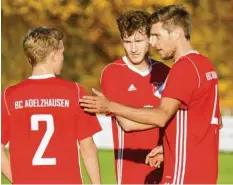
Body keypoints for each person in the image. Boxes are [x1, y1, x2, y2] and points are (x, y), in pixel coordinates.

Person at [80, 4, 221, 184]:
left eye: (154, 37)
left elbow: (163, 116)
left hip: (181, 170)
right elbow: (210, 120)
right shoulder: (204, 63)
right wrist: (169, 144)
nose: (153, 43)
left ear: (176, 33)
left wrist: (110, 106)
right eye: (127, 41)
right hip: (159, 168)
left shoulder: (179, 69)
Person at [1, 26, 102, 184]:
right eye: (61, 53)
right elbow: (87, 147)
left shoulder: (9, 96)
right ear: (53, 55)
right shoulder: (75, 92)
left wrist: (18, 180)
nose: (63, 58)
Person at [100, 10, 169, 184]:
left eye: (138, 41)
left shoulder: (166, 72)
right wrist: (163, 116)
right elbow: (127, 124)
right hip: (132, 170)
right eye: (127, 41)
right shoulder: (112, 72)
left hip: (166, 164)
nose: (133, 48)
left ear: (150, 40)